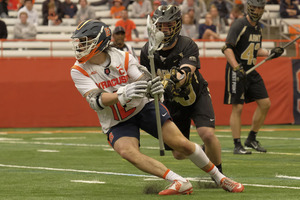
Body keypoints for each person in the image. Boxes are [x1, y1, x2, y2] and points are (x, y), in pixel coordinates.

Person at [70, 19, 244, 195]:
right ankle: (178, 181)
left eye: (84, 41)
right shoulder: (78, 70)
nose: (80, 46)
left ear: (99, 41)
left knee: (181, 144)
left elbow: (142, 79)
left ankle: (220, 178)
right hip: (116, 119)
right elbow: (96, 100)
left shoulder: (122, 57)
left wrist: (152, 87)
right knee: (127, 151)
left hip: (142, 107)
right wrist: (121, 95)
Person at [140, 5, 224, 175]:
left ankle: (219, 174)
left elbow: (186, 71)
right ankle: (199, 150)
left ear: (177, 24)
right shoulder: (147, 51)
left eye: (169, 24)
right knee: (178, 153)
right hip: (173, 102)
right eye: (161, 25)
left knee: (207, 134)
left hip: (195, 94)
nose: (165, 29)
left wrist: (172, 80)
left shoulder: (187, 44)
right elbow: (144, 78)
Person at [222, 0, 284, 154]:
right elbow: (227, 48)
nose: (257, 11)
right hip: (237, 70)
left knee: (265, 103)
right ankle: (237, 145)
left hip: (251, 70)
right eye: (255, 7)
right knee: (238, 107)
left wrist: (271, 53)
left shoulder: (258, 28)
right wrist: (236, 67)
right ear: (249, 8)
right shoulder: (239, 24)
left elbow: (254, 50)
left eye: (260, 8)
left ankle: (251, 139)